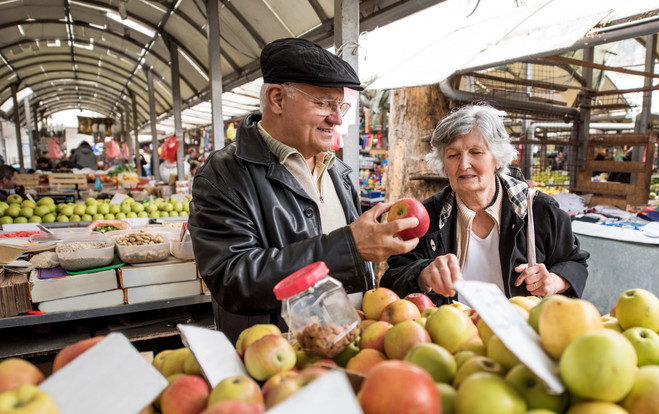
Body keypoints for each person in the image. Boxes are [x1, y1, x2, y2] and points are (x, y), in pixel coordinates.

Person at [188, 38, 420, 342]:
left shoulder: (337, 171)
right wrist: (348, 247)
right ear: (277, 99)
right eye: (323, 103)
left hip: (348, 344)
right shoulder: (222, 176)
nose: (336, 118)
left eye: (339, 105)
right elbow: (234, 279)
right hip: (279, 359)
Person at [380, 105, 589, 305]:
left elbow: (575, 263)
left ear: (498, 158)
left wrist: (554, 281)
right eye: (453, 155)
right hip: (451, 335)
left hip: (519, 334)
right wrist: (423, 275)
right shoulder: (428, 218)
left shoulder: (539, 210)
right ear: (444, 164)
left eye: (476, 152)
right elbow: (392, 280)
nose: (463, 165)